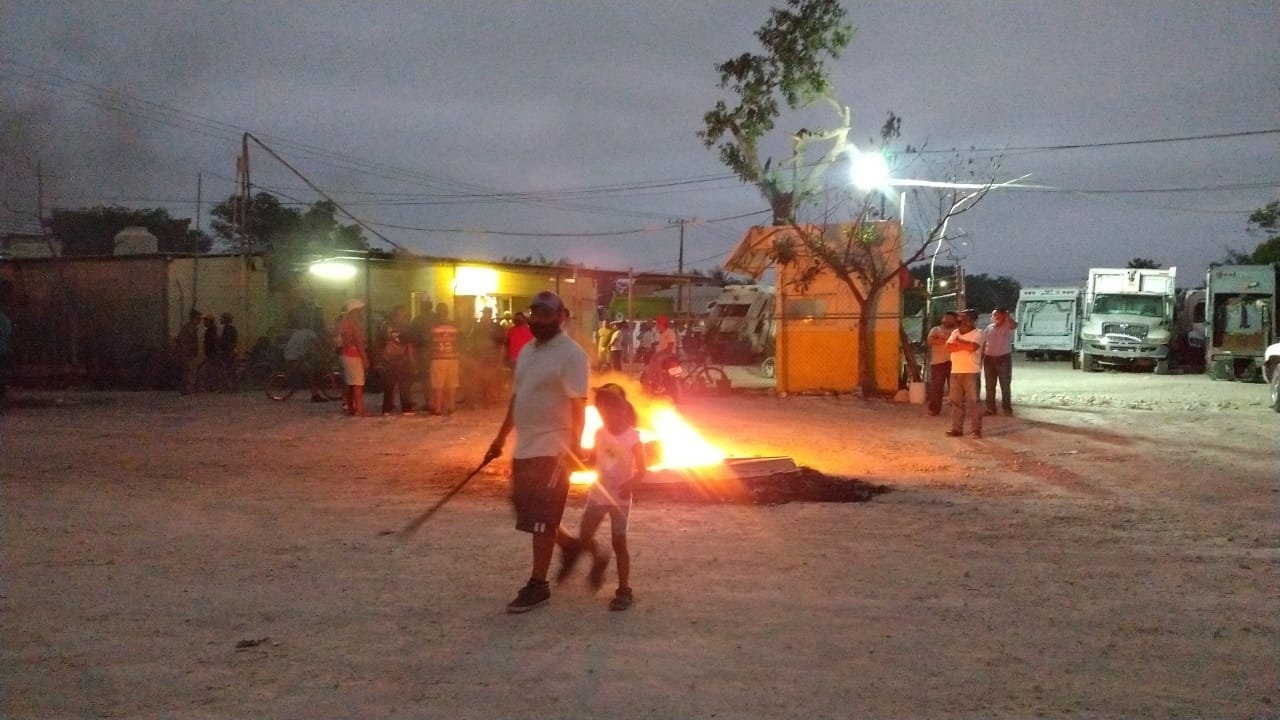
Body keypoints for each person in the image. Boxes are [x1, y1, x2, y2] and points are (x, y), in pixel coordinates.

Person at [485, 290, 589, 614]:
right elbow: (518, 398)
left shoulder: (572, 354)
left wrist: (574, 448)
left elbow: (578, 405)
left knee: (542, 518)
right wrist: (500, 439)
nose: (538, 320)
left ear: (561, 317)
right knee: (524, 509)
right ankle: (570, 545)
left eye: (545, 315)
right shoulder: (528, 351)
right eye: (535, 314)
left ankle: (538, 585)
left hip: (554, 446)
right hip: (526, 445)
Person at [575, 383, 645, 611]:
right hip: (598, 494)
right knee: (584, 535)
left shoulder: (633, 437)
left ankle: (624, 590)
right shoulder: (599, 433)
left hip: (620, 500)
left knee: (619, 543)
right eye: (601, 413)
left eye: (609, 412)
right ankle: (599, 558)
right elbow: (594, 459)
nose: (606, 417)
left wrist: (631, 484)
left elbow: (643, 469)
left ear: (622, 410)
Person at [945, 308, 984, 439]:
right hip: (955, 371)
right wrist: (964, 345)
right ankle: (956, 429)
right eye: (960, 317)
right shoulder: (956, 332)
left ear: (972, 320)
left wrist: (959, 342)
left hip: (971, 372)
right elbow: (949, 347)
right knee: (956, 402)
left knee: (974, 402)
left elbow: (973, 347)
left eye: (964, 317)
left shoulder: (978, 333)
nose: (960, 319)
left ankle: (976, 430)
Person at [378, 305, 415, 415]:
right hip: (401, 358)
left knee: (388, 385)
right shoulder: (405, 326)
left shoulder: (385, 326)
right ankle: (406, 408)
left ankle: (386, 409)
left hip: (388, 358)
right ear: (400, 314)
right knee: (404, 385)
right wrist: (411, 359)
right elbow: (409, 344)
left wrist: (381, 356)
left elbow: (380, 342)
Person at [982, 307, 1018, 416]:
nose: (995, 317)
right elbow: (984, 343)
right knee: (989, 385)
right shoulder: (988, 328)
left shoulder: (1006, 326)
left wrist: (1007, 316)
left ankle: (1006, 408)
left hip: (1003, 359)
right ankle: (990, 408)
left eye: (998, 315)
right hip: (989, 359)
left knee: (1005, 385)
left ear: (1003, 316)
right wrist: (981, 357)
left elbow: (1014, 325)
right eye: (994, 315)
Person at [337, 299, 370, 417]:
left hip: (345, 355)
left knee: (350, 383)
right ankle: (359, 409)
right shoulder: (353, 323)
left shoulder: (343, 322)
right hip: (353, 355)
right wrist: (365, 358)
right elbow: (359, 342)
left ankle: (351, 407)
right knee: (357, 383)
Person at [283, 325, 329, 402]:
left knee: (307, 369)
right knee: (310, 373)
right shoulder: (311, 333)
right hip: (295, 356)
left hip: (290, 355)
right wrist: (323, 352)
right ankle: (315, 395)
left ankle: (300, 383)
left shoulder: (300, 332)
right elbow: (316, 344)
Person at [925, 311, 959, 416]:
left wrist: (941, 339)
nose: (947, 320)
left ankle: (957, 410)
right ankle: (934, 409)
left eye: (950, 318)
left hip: (954, 363)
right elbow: (930, 341)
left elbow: (958, 343)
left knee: (955, 388)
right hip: (938, 362)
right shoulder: (936, 329)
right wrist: (949, 341)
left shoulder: (957, 331)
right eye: (945, 318)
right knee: (936, 388)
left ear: (954, 320)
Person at [429, 302, 460, 416]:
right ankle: (452, 407)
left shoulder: (434, 327)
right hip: (453, 358)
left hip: (438, 358)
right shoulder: (454, 326)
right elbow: (460, 341)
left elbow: (429, 341)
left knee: (438, 385)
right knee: (452, 384)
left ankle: (437, 409)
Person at [175, 309, 202, 395]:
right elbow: (186, 341)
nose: (199, 320)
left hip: (186, 353)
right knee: (190, 372)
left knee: (186, 372)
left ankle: (185, 390)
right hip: (188, 354)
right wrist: (190, 350)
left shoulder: (187, 327)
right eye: (198, 318)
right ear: (193, 318)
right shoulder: (190, 328)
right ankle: (189, 390)